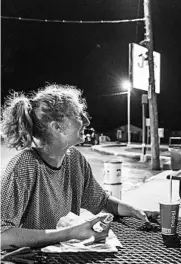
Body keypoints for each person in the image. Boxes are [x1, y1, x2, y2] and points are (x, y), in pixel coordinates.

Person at [0, 83, 158, 250]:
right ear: (57, 127)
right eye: (77, 115)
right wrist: (71, 233)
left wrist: (136, 211)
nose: (87, 121)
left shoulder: (75, 159)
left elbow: (101, 201)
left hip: (62, 259)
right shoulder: (24, 165)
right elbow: (3, 236)